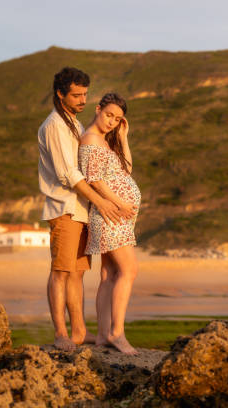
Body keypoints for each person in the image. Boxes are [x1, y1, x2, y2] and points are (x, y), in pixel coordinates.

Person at [38, 68, 121, 351]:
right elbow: (68, 175)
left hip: (81, 211)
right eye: (76, 95)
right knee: (60, 271)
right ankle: (61, 333)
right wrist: (101, 201)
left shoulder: (73, 123)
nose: (82, 99)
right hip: (64, 209)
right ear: (60, 94)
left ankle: (79, 332)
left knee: (77, 273)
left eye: (85, 94)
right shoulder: (55, 126)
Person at [78, 92, 141, 355]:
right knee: (129, 271)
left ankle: (104, 335)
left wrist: (124, 138)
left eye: (117, 119)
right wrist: (120, 204)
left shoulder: (105, 141)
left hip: (115, 216)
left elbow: (126, 170)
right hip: (110, 215)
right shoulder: (92, 139)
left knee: (108, 275)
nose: (111, 122)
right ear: (97, 109)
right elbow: (94, 180)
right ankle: (117, 332)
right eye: (108, 115)